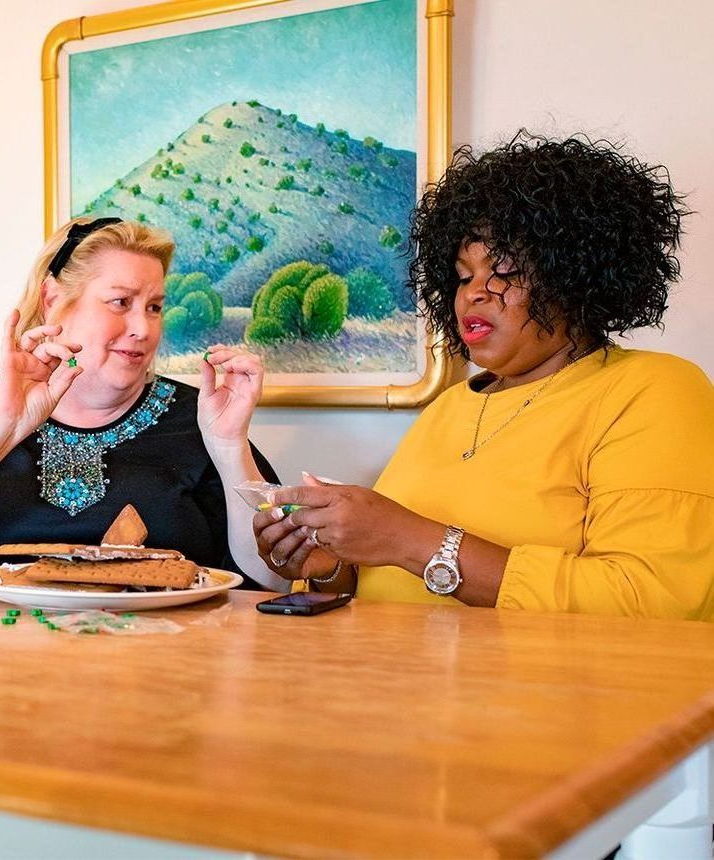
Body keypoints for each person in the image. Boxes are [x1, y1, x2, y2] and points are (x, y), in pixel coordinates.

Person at [254, 132, 714, 619]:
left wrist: (410, 538)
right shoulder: (451, 407)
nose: (472, 293)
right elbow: (386, 576)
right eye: (462, 275)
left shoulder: (654, 390)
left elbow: (652, 602)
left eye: (505, 270)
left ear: (576, 275)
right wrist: (325, 560)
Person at [0, 217, 287, 590]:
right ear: (52, 300)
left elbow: (271, 579)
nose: (143, 328)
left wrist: (231, 446)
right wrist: (2, 423)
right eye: (121, 302)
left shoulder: (202, 417)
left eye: (154, 307)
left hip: (160, 662)